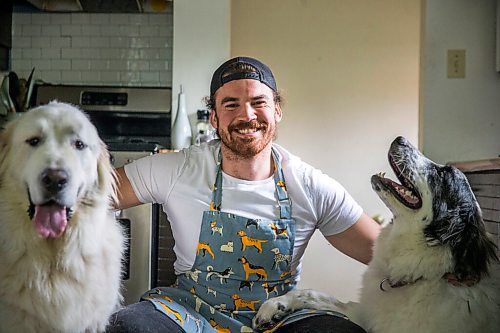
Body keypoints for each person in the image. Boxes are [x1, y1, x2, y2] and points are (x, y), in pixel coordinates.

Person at [107, 56, 381, 333]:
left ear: (277, 110)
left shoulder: (310, 185)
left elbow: (389, 255)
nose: (246, 115)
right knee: (128, 326)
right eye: (231, 104)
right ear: (214, 117)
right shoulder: (179, 168)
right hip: (190, 312)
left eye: (258, 102)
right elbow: (90, 195)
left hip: (280, 317)